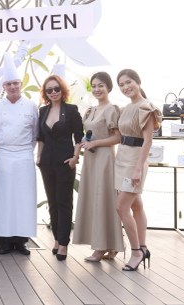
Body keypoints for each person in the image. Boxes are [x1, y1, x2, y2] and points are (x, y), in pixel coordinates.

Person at [72, 71, 124, 261]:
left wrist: (95, 143)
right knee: (94, 200)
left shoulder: (112, 109)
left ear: (109, 87)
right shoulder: (90, 110)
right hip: (90, 158)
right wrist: (84, 144)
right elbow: (87, 134)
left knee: (104, 199)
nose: (97, 89)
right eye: (94, 86)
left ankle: (101, 247)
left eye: (101, 85)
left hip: (104, 158)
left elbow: (117, 138)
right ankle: (110, 245)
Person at [0, 54, 38, 255]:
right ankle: (5, 240)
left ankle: (21, 241)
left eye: (16, 83)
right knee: (4, 198)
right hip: (3, 154)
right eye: (9, 84)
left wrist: (27, 151)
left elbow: (35, 133)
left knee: (24, 198)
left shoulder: (31, 106)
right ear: (4, 86)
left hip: (24, 154)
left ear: (21, 84)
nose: (13, 87)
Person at [114, 68, 161, 271]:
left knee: (121, 207)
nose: (125, 87)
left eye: (128, 82)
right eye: (121, 85)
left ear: (138, 82)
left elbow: (148, 141)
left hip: (135, 162)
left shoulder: (146, 107)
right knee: (136, 207)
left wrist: (138, 169)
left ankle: (136, 252)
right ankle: (143, 247)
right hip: (122, 158)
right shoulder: (126, 108)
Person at [36, 74, 84, 261]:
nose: (53, 92)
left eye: (56, 88)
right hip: (46, 163)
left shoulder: (71, 110)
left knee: (64, 202)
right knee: (53, 202)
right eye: (49, 90)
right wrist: (38, 157)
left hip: (65, 162)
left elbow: (79, 138)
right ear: (45, 93)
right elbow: (40, 137)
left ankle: (63, 243)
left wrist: (75, 158)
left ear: (62, 90)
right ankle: (56, 239)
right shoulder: (43, 111)